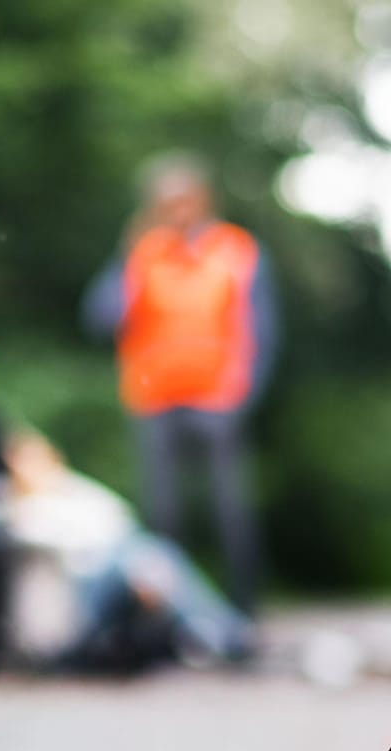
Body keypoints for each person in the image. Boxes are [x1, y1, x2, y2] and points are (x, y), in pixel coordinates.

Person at [81, 152, 278, 613]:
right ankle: (173, 615)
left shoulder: (236, 250)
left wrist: (245, 393)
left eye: (185, 200)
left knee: (231, 510)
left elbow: (263, 328)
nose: (178, 211)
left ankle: (244, 612)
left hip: (218, 398)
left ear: (204, 199)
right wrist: (127, 257)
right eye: (167, 203)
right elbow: (100, 317)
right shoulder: (143, 254)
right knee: (163, 515)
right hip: (155, 398)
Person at [3, 431, 253, 671]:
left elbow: (119, 517)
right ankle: (219, 632)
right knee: (147, 555)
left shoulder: (73, 490)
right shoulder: (14, 507)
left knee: (149, 554)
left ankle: (210, 632)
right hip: (83, 594)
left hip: (115, 572)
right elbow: (69, 540)